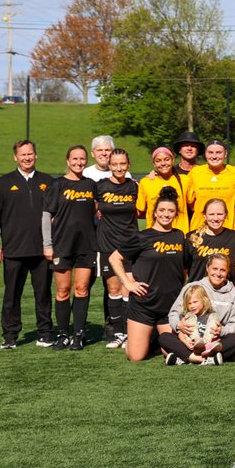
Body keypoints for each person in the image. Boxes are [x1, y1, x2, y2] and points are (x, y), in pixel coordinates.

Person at [0, 140, 56, 349]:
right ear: (15, 157)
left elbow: (57, 214)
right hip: (14, 250)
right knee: (12, 295)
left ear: (36, 155)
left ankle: (45, 333)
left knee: (43, 294)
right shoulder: (4, 182)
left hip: (42, 250)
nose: (27, 158)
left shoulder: (48, 181)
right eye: (22, 154)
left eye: (30, 154)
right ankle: (10, 336)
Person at [108, 186, 191, 362]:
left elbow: (183, 268)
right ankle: (144, 337)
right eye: (162, 210)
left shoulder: (179, 236)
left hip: (171, 306)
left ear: (176, 214)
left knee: (174, 352)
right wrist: (128, 284)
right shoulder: (142, 237)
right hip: (144, 305)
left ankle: (153, 338)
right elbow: (115, 258)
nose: (166, 214)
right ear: (154, 213)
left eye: (171, 211)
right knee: (135, 357)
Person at [42, 145, 99, 350]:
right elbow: (46, 216)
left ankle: (78, 334)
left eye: (82, 159)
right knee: (63, 290)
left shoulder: (91, 185)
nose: (78, 162)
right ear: (67, 161)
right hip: (62, 245)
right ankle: (63, 333)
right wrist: (47, 245)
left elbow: (98, 210)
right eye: (74, 159)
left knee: (82, 289)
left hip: (86, 246)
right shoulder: (57, 185)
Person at [93, 147, 139, 348]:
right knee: (113, 288)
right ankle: (117, 333)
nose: (119, 168)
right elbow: (92, 209)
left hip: (130, 245)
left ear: (128, 165)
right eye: (115, 164)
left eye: (122, 164)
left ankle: (129, 333)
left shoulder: (135, 187)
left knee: (128, 288)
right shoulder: (100, 187)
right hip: (107, 245)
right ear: (109, 166)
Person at [164, 254, 235, 365]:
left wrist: (221, 331)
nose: (218, 273)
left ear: (227, 272)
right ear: (207, 268)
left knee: (234, 340)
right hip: (191, 338)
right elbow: (173, 313)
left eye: (222, 270)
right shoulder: (192, 287)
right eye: (214, 269)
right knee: (164, 337)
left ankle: (184, 357)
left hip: (214, 340)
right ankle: (203, 359)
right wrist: (178, 325)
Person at [187, 140, 235, 232]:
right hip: (199, 230)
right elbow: (188, 200)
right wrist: (156, 174)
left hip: (227, 231)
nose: (214, 156)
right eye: (210, 152)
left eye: (218, 153)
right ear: (205, 154)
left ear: (225, 154)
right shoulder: (195, 173)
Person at [185, 198, 235, 283]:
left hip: (224, 292)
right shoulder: (192, 237)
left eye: (220, 214)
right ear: (205, 215)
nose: (215, 218)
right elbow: (185, 269)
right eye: (211, 214)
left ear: (225, 215)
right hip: (198, 292)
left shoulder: (234, 237)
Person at [137, 147, 191, 234]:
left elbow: (194, 206)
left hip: (179, 235)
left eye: (166, 159)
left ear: (172, 160)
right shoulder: (146, 182)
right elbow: (140, 211)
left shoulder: (185, 181)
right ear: (154, 164)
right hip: (154, 237)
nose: (163, 163)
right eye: (158, 161)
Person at [173, 285, 221, 358]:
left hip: (207, 343)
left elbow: (216, 334)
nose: (192, 306)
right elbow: (180, 333)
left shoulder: (210, 316)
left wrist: (214, 339)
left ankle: (206, 348)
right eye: (189, 303)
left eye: (195, 302)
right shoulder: (186, 317)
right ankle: (195, 352)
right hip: (190, 344)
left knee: (230, 338)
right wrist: (186, 342)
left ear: (204, 300)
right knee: (164, 337)